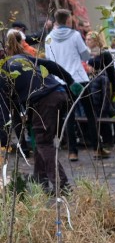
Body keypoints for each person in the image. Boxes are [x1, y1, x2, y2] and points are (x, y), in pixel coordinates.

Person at [0, 30, 75, 192]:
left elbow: (7, 109)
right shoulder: (20, 58)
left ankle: (63, 186)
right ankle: (40, 182)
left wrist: (10, 138)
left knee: (43, 142)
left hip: (44, 100)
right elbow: (51, 65)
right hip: (59, 93)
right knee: (42, 140)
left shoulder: (2, 73)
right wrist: (71, 81)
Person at [44, 8, 102, 160]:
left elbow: (49, 62)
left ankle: (72, 151)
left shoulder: (48, 38)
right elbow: (85, 55)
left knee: (68, 116)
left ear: (56, 20)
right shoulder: (75, 35)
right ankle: (96, 148)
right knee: (90, 113)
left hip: (61, 81)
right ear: (68, 20)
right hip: (79, 79)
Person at [86, 31, 115, 147]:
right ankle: (103, 136)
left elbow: (111, 72)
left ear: (96, 40)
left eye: (90, 39)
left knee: (108, 110)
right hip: (92, 86)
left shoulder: (104, 54)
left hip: (105, 86)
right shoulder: (86, 53)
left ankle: (112, 136)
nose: (87, 41)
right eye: (86, 39)